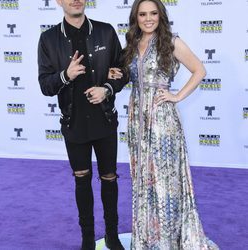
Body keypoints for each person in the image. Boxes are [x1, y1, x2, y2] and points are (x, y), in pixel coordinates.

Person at [117, 0, 220, 249]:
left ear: (160, 15)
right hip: (137, 120)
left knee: (165, 180)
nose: (148, 18)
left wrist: (176, 96)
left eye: (153, 13)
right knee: (143, 178)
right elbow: (128, 75)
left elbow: (199, 70)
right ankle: (148, 238)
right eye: (142, 14)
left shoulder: (171, 41)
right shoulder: (131, 43)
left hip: (162, 119)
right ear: (136, 17)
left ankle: (168, 240)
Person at [37, 0, 127, 249]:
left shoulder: (105, 31)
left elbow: (123, 71)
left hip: (104, 119)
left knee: (109, 178)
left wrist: (106, 89)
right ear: (58, 1)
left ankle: (112, 235)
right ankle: (87, 238)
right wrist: (66, 75)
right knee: (82, 179)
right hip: (74, 122)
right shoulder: (48, 38)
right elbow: (45, 85)